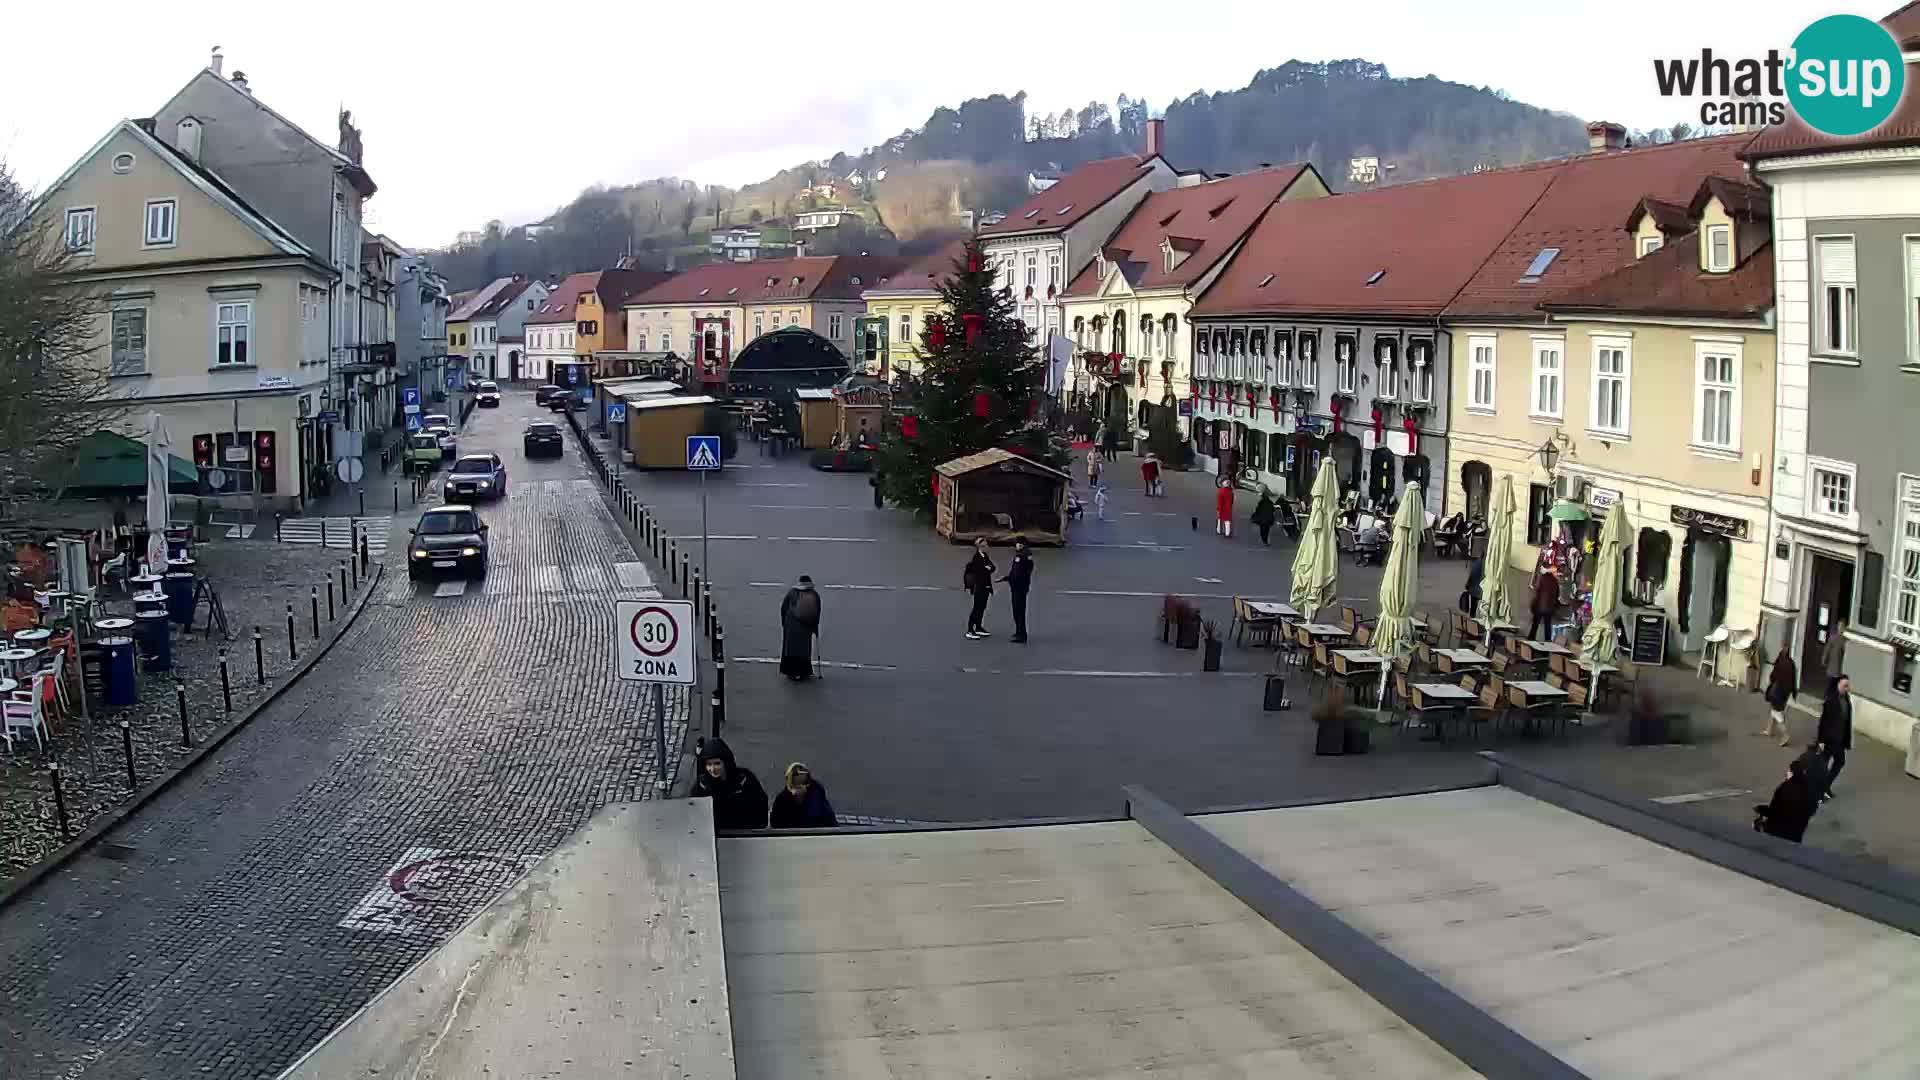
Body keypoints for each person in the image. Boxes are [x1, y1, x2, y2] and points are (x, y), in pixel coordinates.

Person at [690, 738, 768, 830]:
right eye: (709, 764)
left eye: (717, 763)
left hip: (744, 833)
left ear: (726, 762)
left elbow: (760, 806)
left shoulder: (745, 779)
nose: (713, 769)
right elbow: (694, 813)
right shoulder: (702, 785)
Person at [1754, 757, 1819, 843]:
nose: (1786, 773)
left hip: (1778, 833)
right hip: (1796, 835)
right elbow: (1812, 809)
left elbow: (1774, 812)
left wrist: (1761, 809)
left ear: (1792, 773)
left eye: (1788, 771)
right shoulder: (1809, 789)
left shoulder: (1784, 788)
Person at [1815, 674, 1852, 801]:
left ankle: (1825, 787)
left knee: (1840, 761)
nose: (1847, 688)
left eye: (1848, 686)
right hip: (1829, 739)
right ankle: (1819, 791)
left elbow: (1847, 720)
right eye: (1845, 686)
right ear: (1838, 685)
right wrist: (1820, 740)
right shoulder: (1831, 700)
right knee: (1823, 766)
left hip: (1840, 739)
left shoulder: (1846, 698)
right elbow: (1823, 721)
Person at [778, 575, 822, 681]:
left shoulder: (792, 592)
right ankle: (804, 672)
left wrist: (784, 623)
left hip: (792, 625)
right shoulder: (814, 595)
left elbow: (784, 608)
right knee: (804, 650)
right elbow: (817, 613)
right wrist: (815, 629)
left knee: (790, 649)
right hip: (806, 627)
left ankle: (791, 672)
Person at [769, 762, 838, 828]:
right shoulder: (781, 801)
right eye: (795, 784)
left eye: (803, 783)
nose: (800, 787)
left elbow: (829, 822)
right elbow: (776, 824)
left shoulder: (817, 796)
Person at [1759, 645, 1797, 746]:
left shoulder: (1780, 661)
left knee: (1777, 713)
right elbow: (1794, 680)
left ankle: (1785, 735)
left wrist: (1770, 684)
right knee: (1774, 710)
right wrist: (1794, 693)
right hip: (1785, 693)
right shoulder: (1791, 664)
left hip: (1777, 692)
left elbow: (1773, 676)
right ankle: (1769, 730)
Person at [999, 537, 1034, 642]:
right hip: (1021, 586)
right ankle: (1019, 631)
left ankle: (1021, 634)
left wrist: (1010, 579)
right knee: (1019, 610)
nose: (1016, 545)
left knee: (1018, 610)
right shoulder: (1026, 554)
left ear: (1022, 544)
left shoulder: (1021, 555)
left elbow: (1017, 572)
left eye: (1018, 543)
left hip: (1018, 587)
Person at [963, 539, 995, 639]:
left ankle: (978, 627)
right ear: (980, 547)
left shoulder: (985, 556)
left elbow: (993, 567)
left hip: (986, 586)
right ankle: (970, 630)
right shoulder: (976, 558)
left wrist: (988, 568)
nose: (987, 547)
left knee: (982, 608)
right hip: (979, 587)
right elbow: (980, 571)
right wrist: (987, 568)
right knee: (976, 608)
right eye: (985, 545)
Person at [1528, 567, 1559, 642]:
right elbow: (1557, 595)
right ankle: (1548, 642)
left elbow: (1537, 592)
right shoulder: (1555, 581)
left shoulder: (1542, 579)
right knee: (1547, 626)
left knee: (1535, 625)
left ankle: (1531, 639)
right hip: (1549, 608)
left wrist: (1533, 605)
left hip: (1539, 606)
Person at [1822, 620, 1847, 694]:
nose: (1841, 628)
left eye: (1842, 626)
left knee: (1836, 685)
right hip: (1833, 665)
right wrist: (1824, 659)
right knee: (1831, 684)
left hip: (1839, 667)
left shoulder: (1845, 640)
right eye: (1839, 626)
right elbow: (1827, 649)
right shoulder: (1833, 638)